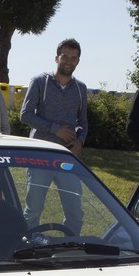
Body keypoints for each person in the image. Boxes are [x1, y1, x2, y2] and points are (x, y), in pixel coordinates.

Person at [19, 38, 88, 233]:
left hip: (67, 157)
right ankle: (27, 246)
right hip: (39, 156)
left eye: (73, 58)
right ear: (56, 57)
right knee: (33, 209)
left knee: (75, 210)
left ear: (78, 61)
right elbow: (25, 115)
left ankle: (71, 244)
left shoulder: (80, 89)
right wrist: (55, 129)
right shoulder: (40, 82)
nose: (68, 61)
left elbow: (83, 122)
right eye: (65, 56)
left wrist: (80, 142)